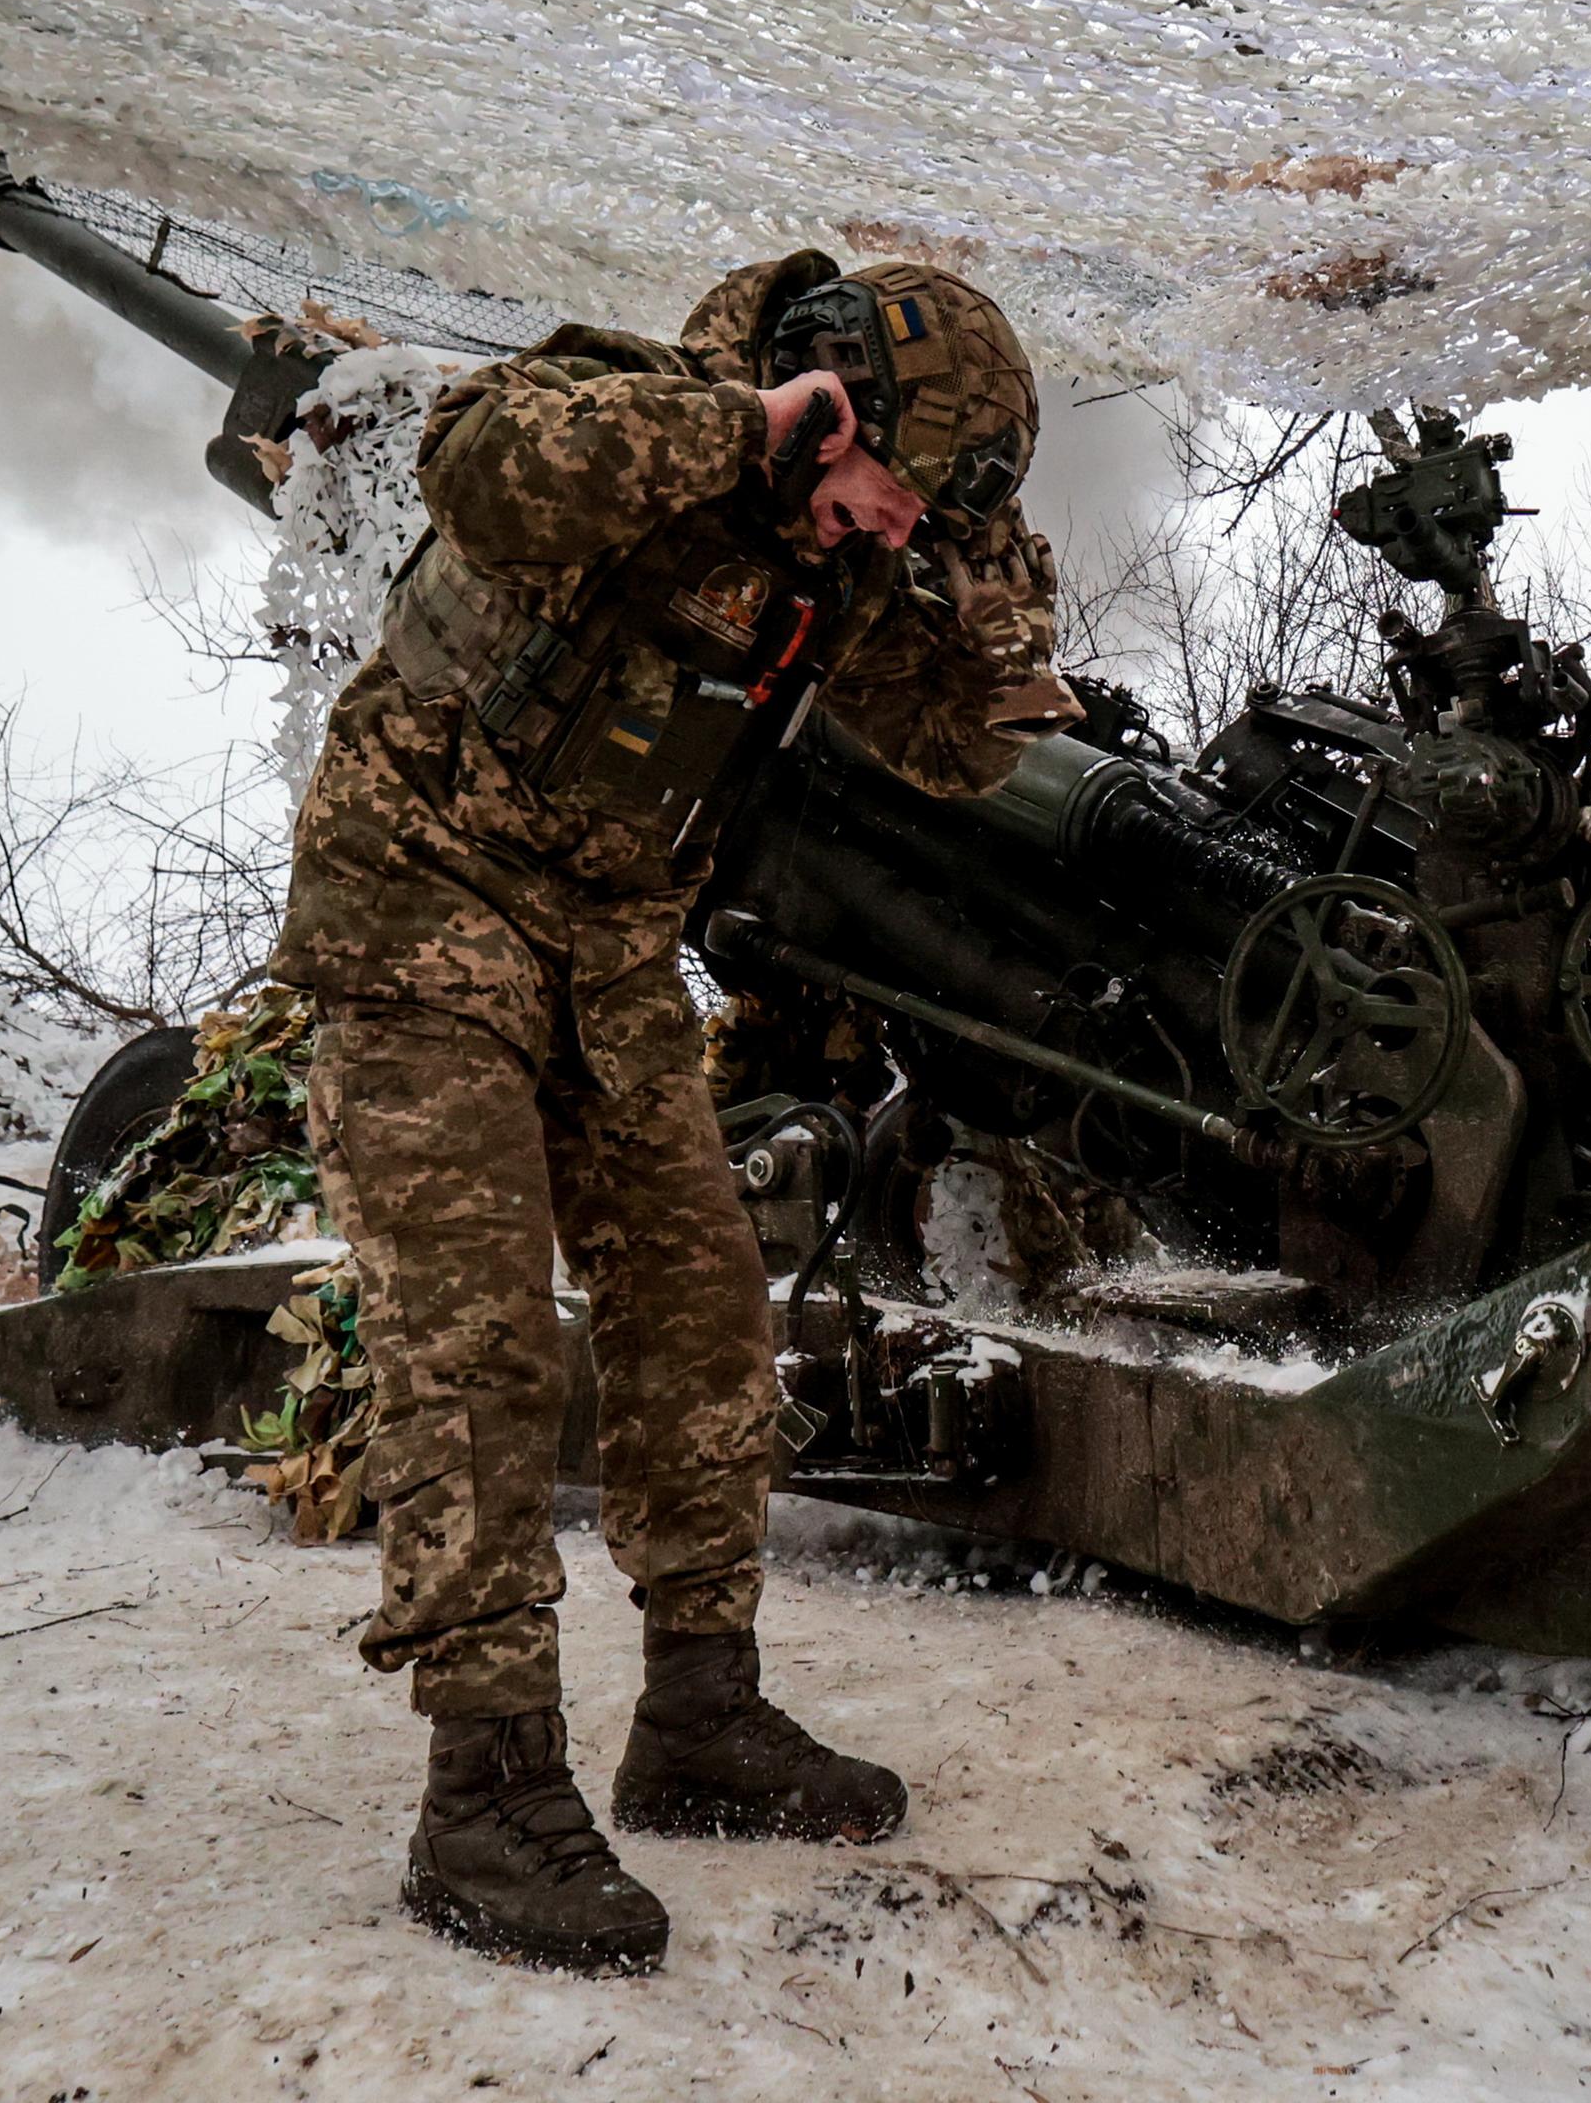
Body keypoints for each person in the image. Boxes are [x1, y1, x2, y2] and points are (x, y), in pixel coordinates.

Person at [268, 252, 1081, 1974]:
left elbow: (953, 751)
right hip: (419, 911)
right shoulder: (624, 407)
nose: (878, 529)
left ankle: (698, 1724)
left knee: (705, 1315)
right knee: (475, 1342)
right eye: (876, 486)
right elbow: (476, 467)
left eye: (905, 514)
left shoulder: (841, 559)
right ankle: (484, 1791)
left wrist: (990, 586)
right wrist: (740, 435)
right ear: (826, 400)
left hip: (609, 951)